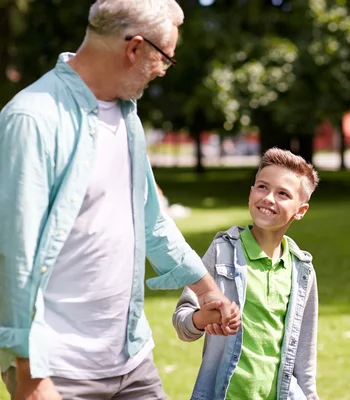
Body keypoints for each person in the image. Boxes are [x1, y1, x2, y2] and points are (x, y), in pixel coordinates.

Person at [0, 1, 241, 399]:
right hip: (59, 373)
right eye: (165, 57)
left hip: (131, 362)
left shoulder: (126, 115)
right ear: (134, 48)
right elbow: (14, 257)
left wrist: (206, 290)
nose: (164, 69)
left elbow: (151, 219)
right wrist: (31, 374)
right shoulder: (32, 119)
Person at [173, 148, 320, 400]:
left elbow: (304, 355)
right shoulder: (221, 252)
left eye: (283, 193)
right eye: (262, 187)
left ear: (300, 210)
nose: (269, 198)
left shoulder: (301, 269)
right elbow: (182, 322)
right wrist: (202, 319)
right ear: (251, 192)